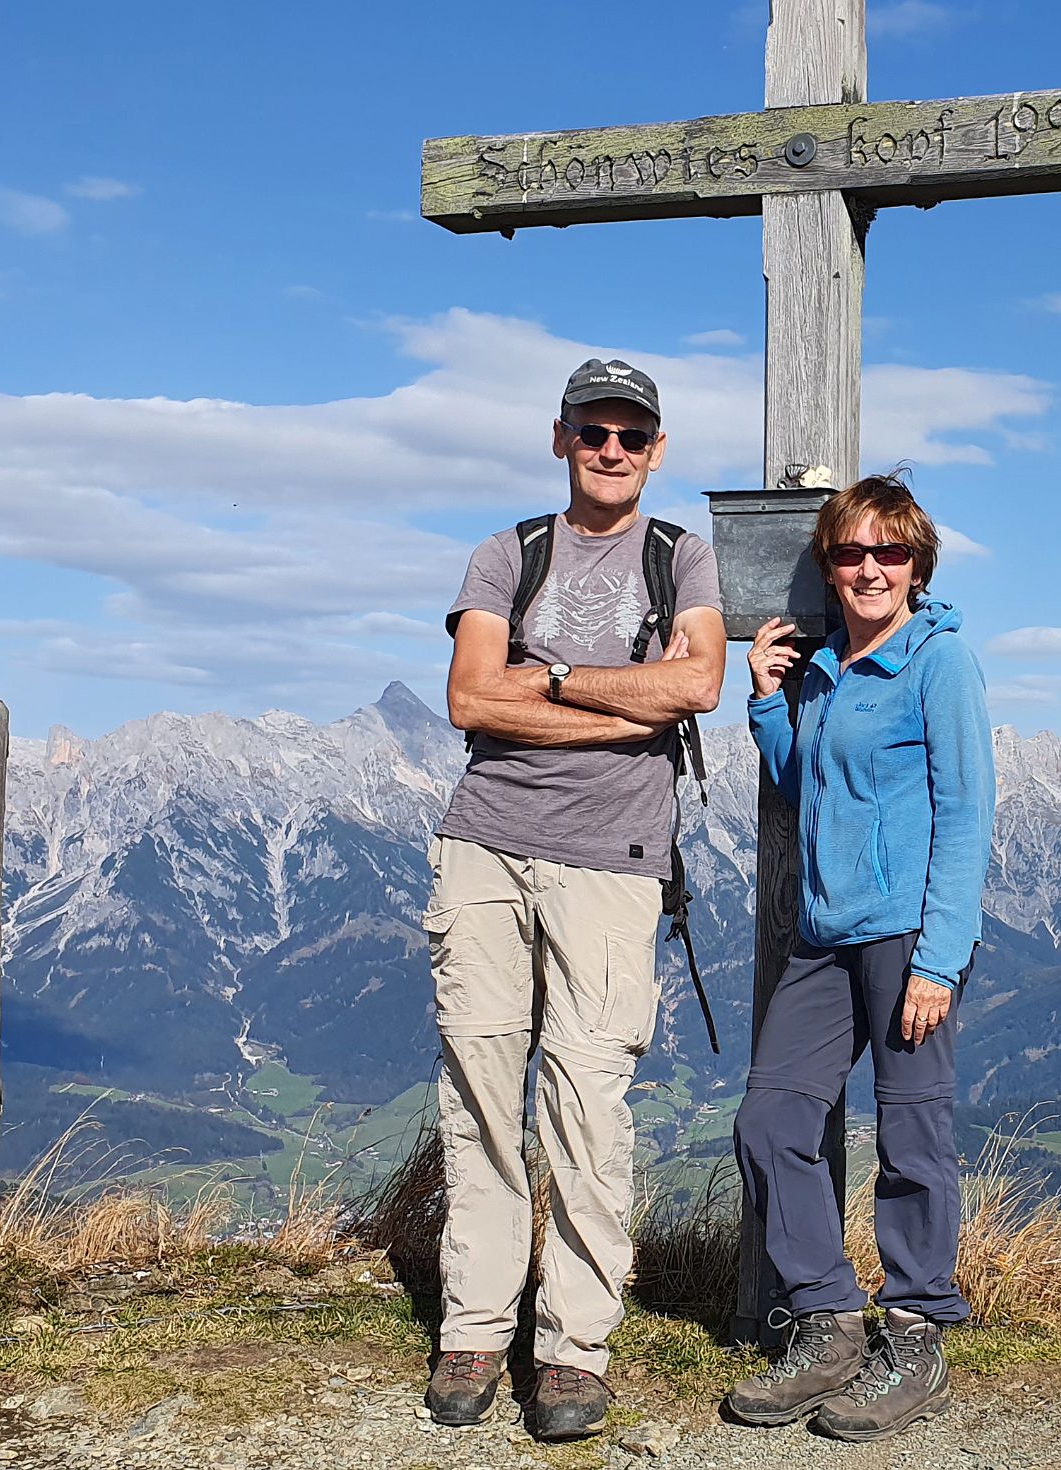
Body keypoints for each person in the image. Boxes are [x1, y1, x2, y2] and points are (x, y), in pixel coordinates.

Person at [421, 358, 726, 1440]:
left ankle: (572, 1350)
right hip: (487, 844)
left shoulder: (680, 556)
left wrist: (539, 685)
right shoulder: (509, 551)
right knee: (480, 1088)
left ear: (655, 451)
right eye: (593, 432)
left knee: (588, 1101)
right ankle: (473, 1327)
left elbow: (694, 687)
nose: (611, 450)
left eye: (630, 436)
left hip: (614, 858)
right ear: (560, 438)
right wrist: (613, 705)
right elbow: (468, 695)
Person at [724, 472, 995, 1442]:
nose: (869, 567)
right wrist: (764, 701)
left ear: (918, 563)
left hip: (905, 940)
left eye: (889, 551)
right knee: (768, 1122)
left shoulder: (939, 664)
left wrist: (939, 959)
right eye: (850, 552)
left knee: (914, 1140)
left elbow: (967, 816)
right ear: (829, 566)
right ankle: (830, 1323)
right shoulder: (830, 666)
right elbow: (807, 784)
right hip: (824, 937)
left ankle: (916, 1337)